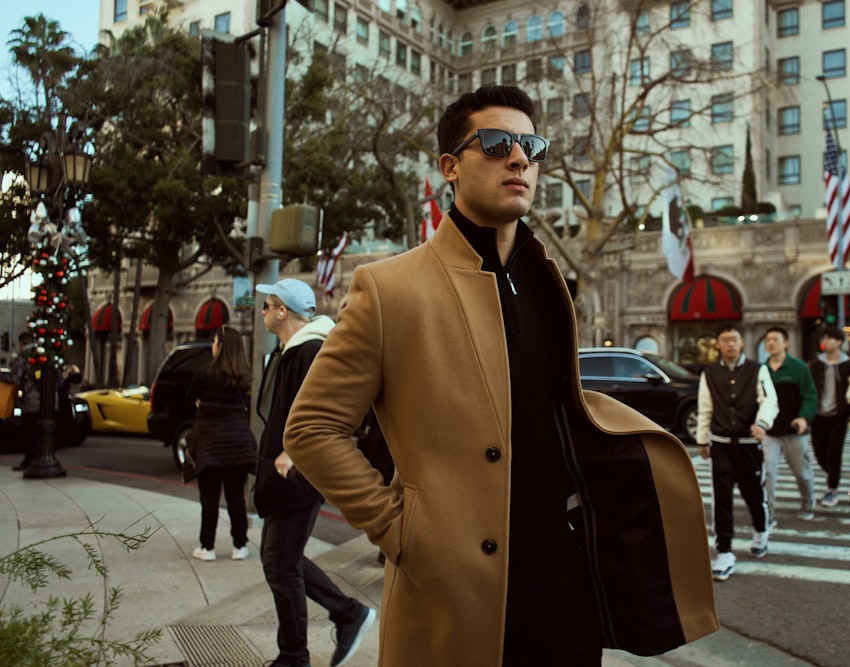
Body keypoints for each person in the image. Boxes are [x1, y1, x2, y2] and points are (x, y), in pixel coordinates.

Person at [283, 86, 718, 666]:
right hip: (453, 585)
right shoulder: (388, 288)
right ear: (450, 168)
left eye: (531, 147)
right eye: (496, 143)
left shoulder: (548, 280)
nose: (519, 159)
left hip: (564, 583)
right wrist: (401, 531)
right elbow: (312, 428)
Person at [252, 278, 374, 667]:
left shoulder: (311, 351)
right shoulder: (291, 351)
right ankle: (324, 630)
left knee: (281, 562)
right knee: (278, 560)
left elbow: (328, 409)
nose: (264, 312)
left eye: (268, 305)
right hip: (284, 476)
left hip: (297, 475)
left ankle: (305, 647)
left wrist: (292, 452)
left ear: (283, 310)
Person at [696, 322, 778, 582]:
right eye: (725, 340)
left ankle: (761, 531)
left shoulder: (757, 370)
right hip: (720, 444)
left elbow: (769, 401)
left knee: (754, 493)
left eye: (734, 339)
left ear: (742, 342)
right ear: (718, 344)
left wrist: (762, 423)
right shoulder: (709, 374)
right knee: (721, 500)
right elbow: (705, 408)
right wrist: (701, 439)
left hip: (748, 445)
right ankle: (724, 551)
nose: (730, 344)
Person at [186, 326, 257, 562]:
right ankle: (240, 545)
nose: (212, 345)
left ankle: (207, 548)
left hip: (210, 442)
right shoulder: (243, 376)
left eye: (215, 341)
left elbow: (190, 398)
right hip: (237, 442)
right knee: (236, 495)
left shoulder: (205, 373)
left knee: (210, 498)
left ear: (221, 345)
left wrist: (202, 405)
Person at [761, 326, 818, 522]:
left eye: (775, 339)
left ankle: (808, 503)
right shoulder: (763, 370)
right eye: (768, 340)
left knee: (802, 473)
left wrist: (803, 417)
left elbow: (810, 396)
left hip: (794, 431)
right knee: (767, 473)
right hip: (769, 432)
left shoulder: (798, 367)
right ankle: (769, 514)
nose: (771, 343)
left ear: (785, 343)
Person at [808, 326, 850, 508]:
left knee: (834, 453)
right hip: (818, 415)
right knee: (819, 452)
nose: (826, 342)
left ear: (839, 342)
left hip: (839, 416)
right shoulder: (816, 364)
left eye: (830, 339)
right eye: (824, 339)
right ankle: (833, 474)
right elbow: (809, 389)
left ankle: (831, 488)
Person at [1, 332, 40, 471]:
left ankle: (29, 460)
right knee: (38, 433)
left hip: (30, 401)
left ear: (22, 343)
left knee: (28, 432)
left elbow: (13, 377)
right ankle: (36, 458)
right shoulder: (42, 354)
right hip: (46, 402)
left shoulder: (23, 356)